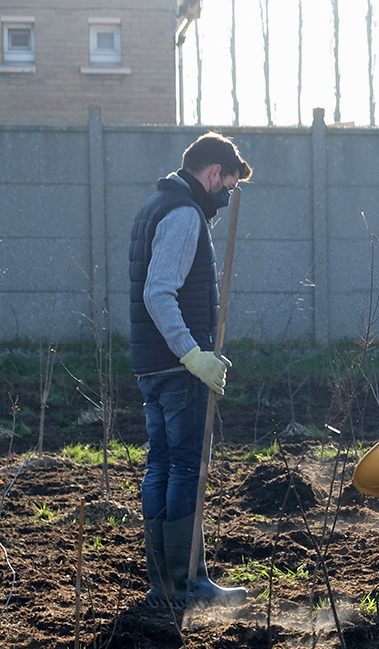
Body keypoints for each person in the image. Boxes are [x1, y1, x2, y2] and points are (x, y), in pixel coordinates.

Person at [129, 131, 252, 609]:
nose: (226, 196)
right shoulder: (183, 215)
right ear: (212, 172)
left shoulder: (154, 207)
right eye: (228, 185)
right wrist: (193, 355)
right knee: (184, 465)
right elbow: (158, 292)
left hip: (151, 364)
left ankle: (163, 583)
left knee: (161, 463)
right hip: (177, 367)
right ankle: (185, 584)